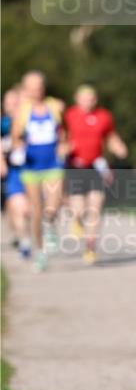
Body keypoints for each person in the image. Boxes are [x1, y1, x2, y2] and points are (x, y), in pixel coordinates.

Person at [63, 84, 129, 265]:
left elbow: (110, 136)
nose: (88, 101)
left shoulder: (104, 116)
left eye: (91, 97)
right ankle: (76, 220)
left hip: (96, 166)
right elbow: (61, 135)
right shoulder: (69, 115)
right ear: (77, 98)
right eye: (84, 97)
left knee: (95, 208)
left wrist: (119, 147)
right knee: (78, 209)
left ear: (96, 99)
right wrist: (63, 147)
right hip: (75, 167)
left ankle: (90, 248)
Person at [10, 71, 66, 272]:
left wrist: (63, 146)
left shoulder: (55, 106)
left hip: (52, 164)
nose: (36, 90)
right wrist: (18, 149)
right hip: (31, 167)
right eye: (32, 87)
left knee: (54, 202)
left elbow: (63, 132)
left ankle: (50, 225)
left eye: (39, 86)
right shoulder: (22, 111)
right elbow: (16, 136)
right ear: (26, 89)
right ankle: (40, 252)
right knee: (36, 211)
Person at [1, 88, 30, 258]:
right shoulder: (3, 124)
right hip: (13, 172)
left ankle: (25, 235)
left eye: (16, 102)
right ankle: (23, 240)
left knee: (29, 209)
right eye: (9, 103)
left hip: (33, 169)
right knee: (18, 208)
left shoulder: (28, 121)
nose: (13, 106)